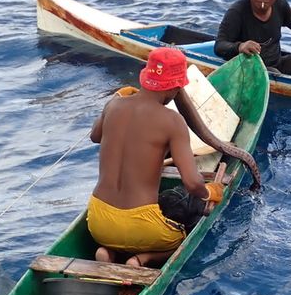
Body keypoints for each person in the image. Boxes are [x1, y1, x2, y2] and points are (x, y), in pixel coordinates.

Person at [86, 47, 224, 267]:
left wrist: (115, 98)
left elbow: (95, 136)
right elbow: (192, 182)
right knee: (183, 232)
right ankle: (143, 258)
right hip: (143, 228)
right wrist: (210, 192)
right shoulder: (172, 121)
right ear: (175, 88)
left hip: (98, 223)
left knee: (115, 234)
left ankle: (108, 252)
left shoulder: (114, 105)